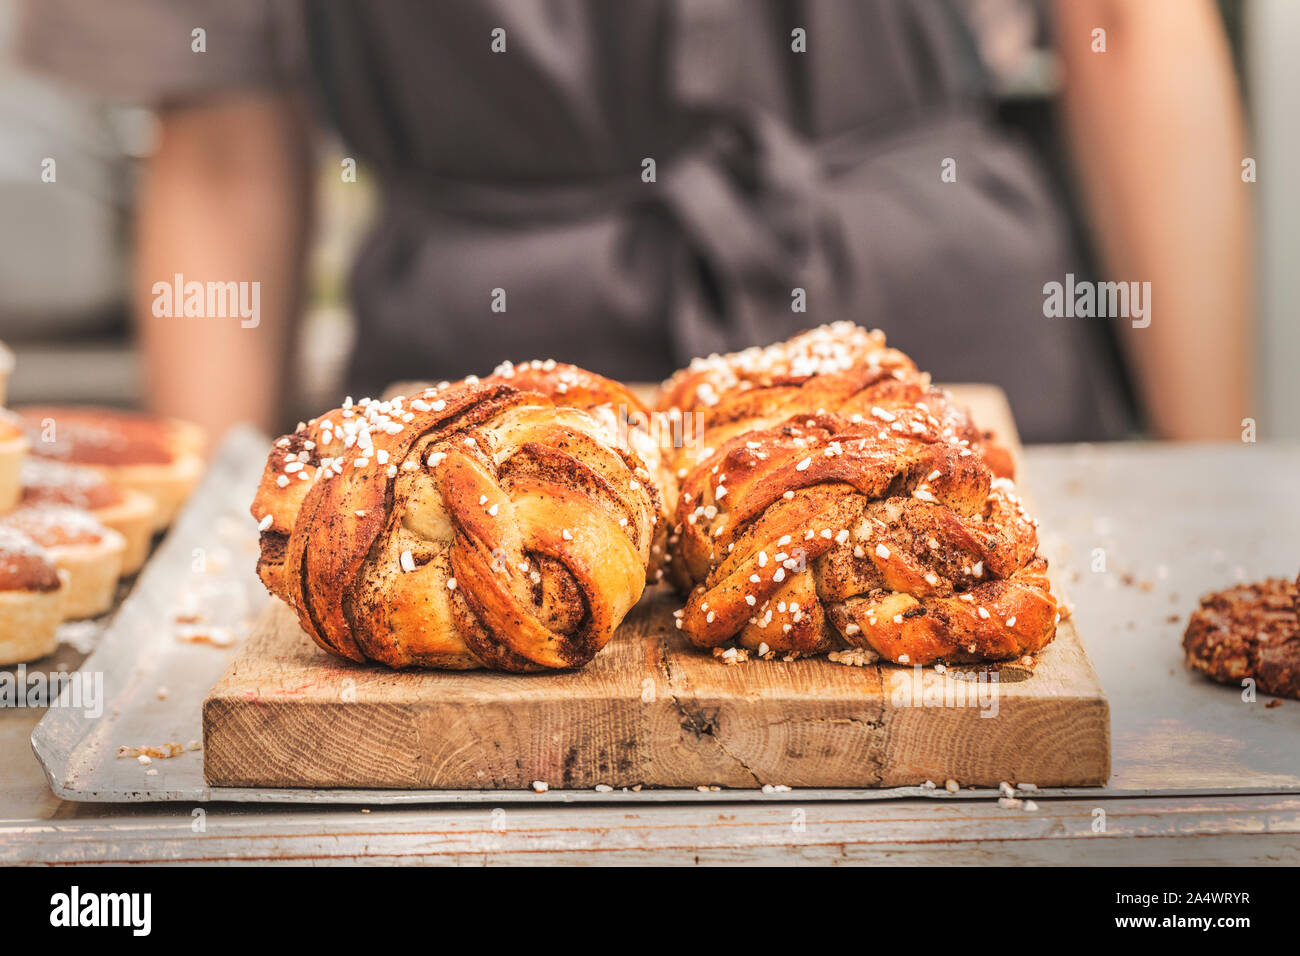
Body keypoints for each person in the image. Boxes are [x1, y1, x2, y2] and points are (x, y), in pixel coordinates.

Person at [18, 0, 1251, 444]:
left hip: (954, 366)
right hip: (464, 426)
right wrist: (194, 615)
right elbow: (226, 141)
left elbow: (1130, 27)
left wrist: (1205, 491)